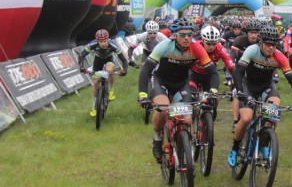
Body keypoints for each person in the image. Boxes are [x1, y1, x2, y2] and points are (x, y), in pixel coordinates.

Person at [138, 19, 215, 160]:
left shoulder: (196, 48)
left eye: (190, 34)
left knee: (186, 118)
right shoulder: (164, 46)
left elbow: (213, 72)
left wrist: (214, 91)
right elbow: (146, 70)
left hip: (181, 84)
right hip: (161, 82)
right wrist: (142, 94)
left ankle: (185, 146)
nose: (187, 38)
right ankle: (157, 139)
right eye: (183, 35)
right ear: (174, 35)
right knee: (163, 110)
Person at [228, 26, 292, 167]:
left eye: (274, 45)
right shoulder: (252, 50)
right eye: (268, 44)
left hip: (266, 86)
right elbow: (238, 72)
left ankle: (264, 143)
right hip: (248, 85)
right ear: (261, 42)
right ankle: (234, 148)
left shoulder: (279, 56)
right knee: (246, 119)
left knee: (273, 111)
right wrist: (240, 91)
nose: (270, 48)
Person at [77, 29, 128, 115]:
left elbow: (124, 60)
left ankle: (111, 90)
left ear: (108, 39)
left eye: (104, 41)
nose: (103, 44)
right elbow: (81, 55)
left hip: (109, 59)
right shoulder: (92, 44)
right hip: (98, 60)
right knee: (95, 82)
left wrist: (125, 70)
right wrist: (81, 67)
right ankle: (94, 106)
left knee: (109, 71)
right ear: (97, 41)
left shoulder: (113, 45)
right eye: (100, 42)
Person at [189, 25, 235, 95]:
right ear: (202, 40)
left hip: (209, 76)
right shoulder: (195, 46)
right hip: (194, 75)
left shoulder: (220, 48)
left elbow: (230, 65)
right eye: (208, 44)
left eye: (214, 44)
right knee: (191, 96)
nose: (211, 47)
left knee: (212, 100)